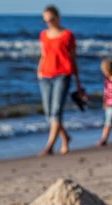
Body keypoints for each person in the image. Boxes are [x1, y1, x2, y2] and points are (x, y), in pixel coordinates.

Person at [37, 5, 83, 156]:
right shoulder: (43, 35)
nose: (49, 23)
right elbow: (44, 54)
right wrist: (39, 70)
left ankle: (49, 146)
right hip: (46, 75)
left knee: (56, 111)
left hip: (63, 74)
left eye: (51, 19)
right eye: (46, 20)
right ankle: (66, 138)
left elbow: (73, 57)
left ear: (58, 17)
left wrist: (78, 81)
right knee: (49, 113)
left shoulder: (68, 35)